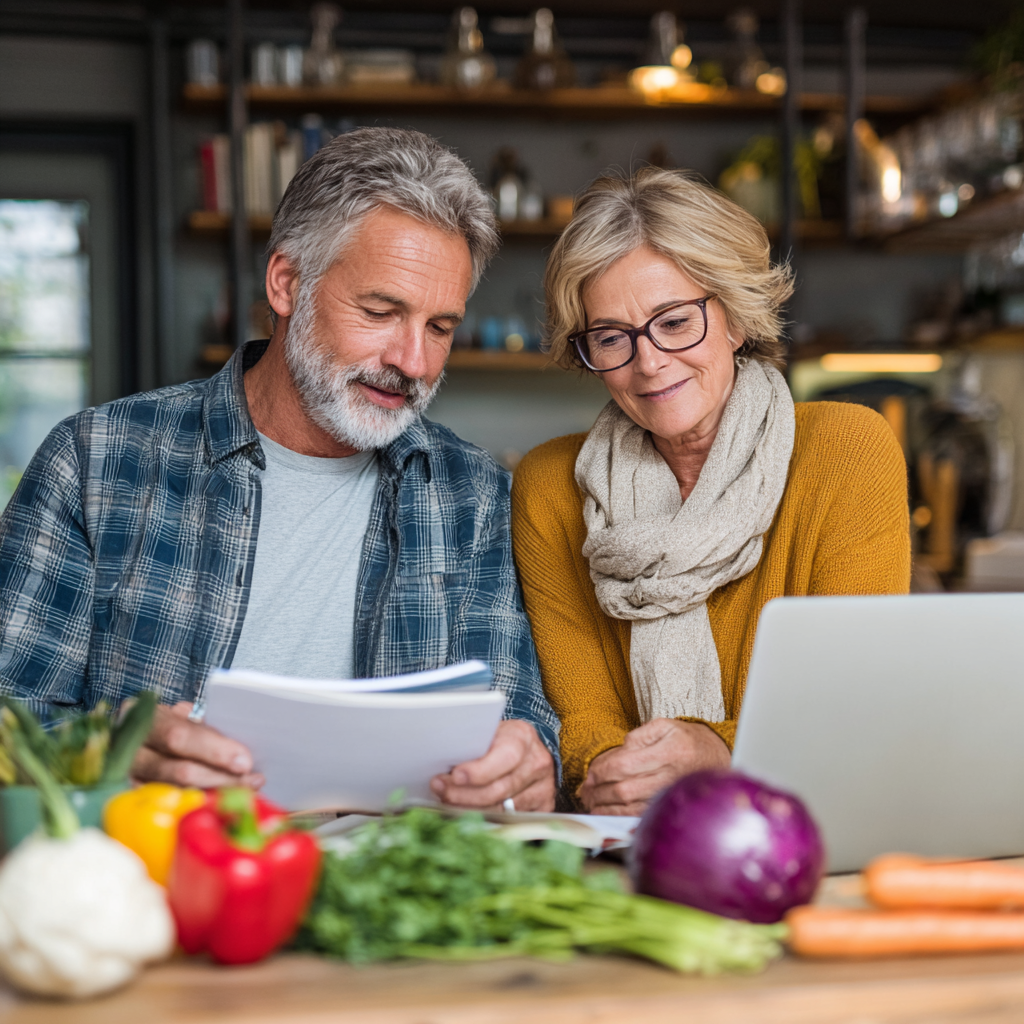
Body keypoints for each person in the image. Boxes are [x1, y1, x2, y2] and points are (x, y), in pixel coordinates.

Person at [0, 127, 558, 812]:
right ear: (287, 282)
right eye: (382, 312)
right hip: (158, 878)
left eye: (440, 328)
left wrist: (526, 764)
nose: (413, 362)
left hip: (388, 893)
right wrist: (106, 749)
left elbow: (517, 724)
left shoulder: (475, 497)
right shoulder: (95, 463)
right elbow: (9, 717)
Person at [511, 168, 910, 816]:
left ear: (733, 317)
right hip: (634, 839)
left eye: (674, 322)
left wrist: (716, 754)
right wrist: (622, 776)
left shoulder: (846, 451)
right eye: (611, 337)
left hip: (817, 828)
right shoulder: (551, 488)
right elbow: (584, 723)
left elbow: (849, 706)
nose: (649, 362)